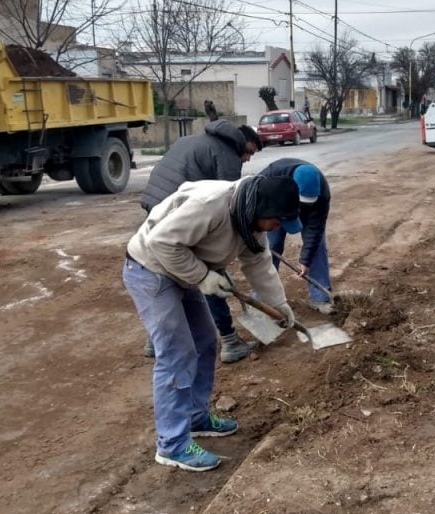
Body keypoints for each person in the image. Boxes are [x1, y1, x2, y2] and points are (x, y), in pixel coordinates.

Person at [123, 174, 301, 472]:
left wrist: (279, 305)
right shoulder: (212, 206)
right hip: (150, 269)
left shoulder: (251, 221)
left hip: (182, 271)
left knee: (205, 340)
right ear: (260, 208)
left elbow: (259, 263)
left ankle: (195, 416)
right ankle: (172, 445)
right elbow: (162, 242)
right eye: (277, 221)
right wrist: (203, 277)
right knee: (176, 353)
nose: (277, 228)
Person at [140, 120, 263, 363]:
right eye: (248, 152)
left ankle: (155, 339)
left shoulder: (195, 140)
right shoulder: (227, 154)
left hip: (157, 206)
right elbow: (232, 205)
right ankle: (229, 341)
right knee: (209, 273)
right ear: (239, 142)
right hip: (178, 212)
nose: (247, 159)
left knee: (166, 272)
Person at [258, 159, 334, 314]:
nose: (304, 205)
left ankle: (320, 297)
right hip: (277, 209)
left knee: (317, 245)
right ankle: (263, 298)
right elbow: (256, 205)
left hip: (309, 214)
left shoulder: (322, 193)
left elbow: (315, 227)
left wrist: (305, 261)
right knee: (272, 246)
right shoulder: (271, 176)